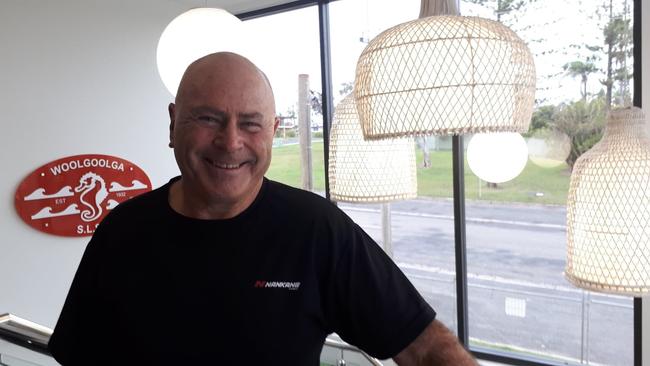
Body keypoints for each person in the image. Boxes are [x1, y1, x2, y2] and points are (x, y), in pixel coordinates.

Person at [48, 52, 477, 365]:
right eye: (208, 119)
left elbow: (426, 350)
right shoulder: (122, 232)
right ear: (173, 123)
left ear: (272, 131)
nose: (231, 142)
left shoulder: (316, 230)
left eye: (250, 122)